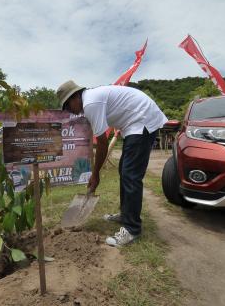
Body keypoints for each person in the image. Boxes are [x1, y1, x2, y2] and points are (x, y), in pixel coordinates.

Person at [57, 80, 167, 247]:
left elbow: (102, 143)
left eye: (67, 106)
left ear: (75, 97)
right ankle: (125, 215)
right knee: (125, 171)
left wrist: (95, 174)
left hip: (142, 120)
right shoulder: (90, 100)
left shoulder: (91, 104)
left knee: (131, 175)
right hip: (133, 124)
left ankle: (132, 229)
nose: (69, 110)